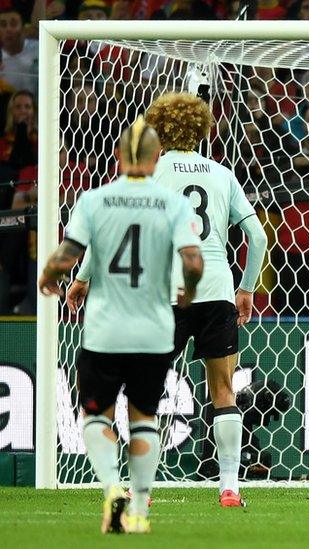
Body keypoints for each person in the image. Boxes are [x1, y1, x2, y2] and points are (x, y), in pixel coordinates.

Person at [70, 93, 268, 508]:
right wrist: (246, 287)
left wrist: (83, 278)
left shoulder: (151, 173)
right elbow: (258, 236)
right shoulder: (221, 173)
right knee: (224, 389)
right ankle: (229, 487)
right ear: (203, 130)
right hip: (216, 288)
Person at [39, 118, 203, 534]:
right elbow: (192, 259)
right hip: (152, 331)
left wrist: (50, 277)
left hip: (104, 331)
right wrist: (188, 290)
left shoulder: (94, 200)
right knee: (144, 417)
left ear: (117, 157)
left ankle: (112, 487)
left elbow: (69, 252)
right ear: (155, 158)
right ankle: (141, 510)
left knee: (96, 415)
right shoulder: (172, 203)